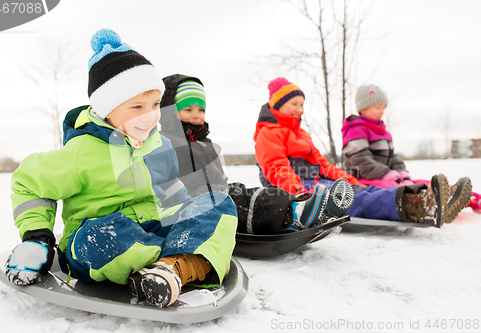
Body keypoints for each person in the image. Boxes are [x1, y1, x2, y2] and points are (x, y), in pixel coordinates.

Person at [5, 29, 238, 308]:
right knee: (103, 234)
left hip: (153, 231)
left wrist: (188, 217)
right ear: (106, 108)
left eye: (154, 105)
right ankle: (186, 258)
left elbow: (171, 190)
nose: (150, 115)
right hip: (95, 244)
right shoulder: (82, 152)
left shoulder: (159, 144)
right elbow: (28, 182)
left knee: (216, 203)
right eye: (136, 106)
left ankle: (171, 268)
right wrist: (36, 236)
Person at [254, 77, 471, 227]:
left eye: (302, 104)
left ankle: (424, 197)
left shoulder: (302, 134)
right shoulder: (269, 132)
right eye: (295, 104)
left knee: (359, 191)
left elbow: (325, 166)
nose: (301, 110)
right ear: (278, 104)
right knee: (350, 199)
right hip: (296, 190)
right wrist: (298, 195)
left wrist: (351, 180)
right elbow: (276, 166)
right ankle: (415, 206)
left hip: (315, 183)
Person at [159, 74, 356, 235]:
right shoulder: (165, 145)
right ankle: (296, 214)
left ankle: (299, 210)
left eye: (201, 109)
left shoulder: (205, 144)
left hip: (218, 195)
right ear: (169, 112)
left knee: (253, 193)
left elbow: (218, 176)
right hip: (195, 206)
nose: (197, 114)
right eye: (188, 109)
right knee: (245, 203)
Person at [341, 84, 479, 215]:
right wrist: (386, 174)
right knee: (401, 190)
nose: (382, 112)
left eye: (383, 108)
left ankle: (466, 198)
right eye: (377, 108)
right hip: (363, 179)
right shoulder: (355, 130)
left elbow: (392, 157)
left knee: (419, 184)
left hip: (387, 176)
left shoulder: (382, 132)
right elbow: (361, 160)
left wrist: (402, 173)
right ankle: (427, 205)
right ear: (363, 108)